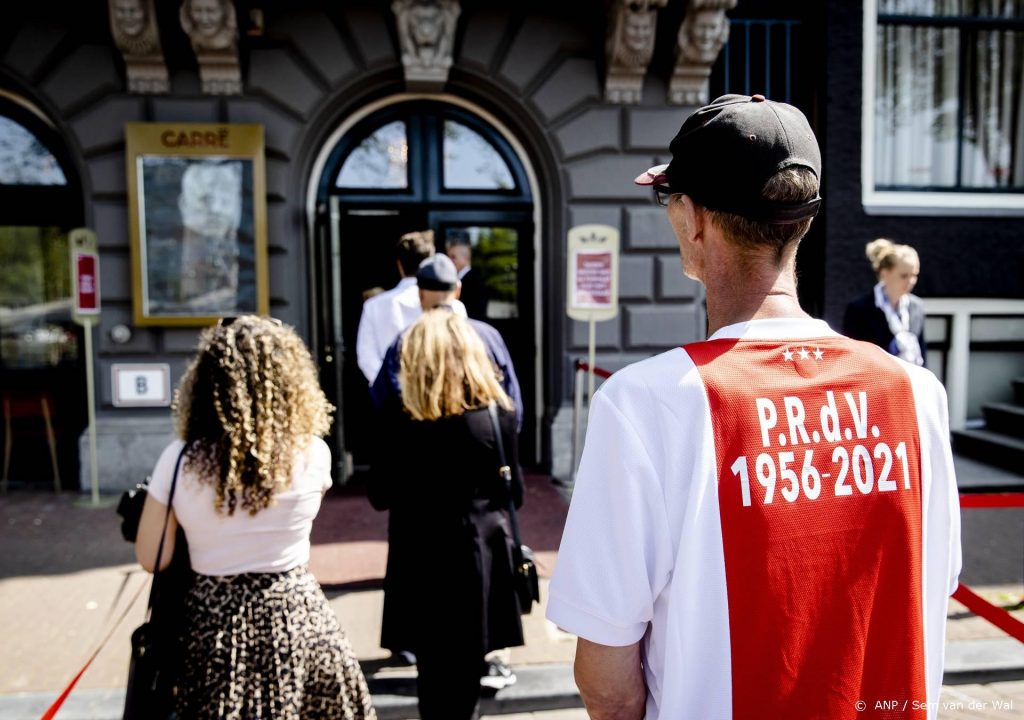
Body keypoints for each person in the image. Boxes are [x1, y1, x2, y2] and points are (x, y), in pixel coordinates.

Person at [547, 94, 961, 720]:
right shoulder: (916, 394)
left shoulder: (644, 404)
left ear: (691, 218)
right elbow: (935, 585)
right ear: (805, 221)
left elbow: (607, 679)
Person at [134, 315, 376, 720]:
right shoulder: (314, 452)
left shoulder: (179, 461)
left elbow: (151, 557)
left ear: (207, 384)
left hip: (212, 625)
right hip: (297, 616)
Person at [368, 309, 526, 720]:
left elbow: (379, 495)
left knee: (433, 682)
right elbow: (516, 494)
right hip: (479, 562)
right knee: (466, 683)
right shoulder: (497, 416)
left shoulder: (399, 421)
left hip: (419, 564)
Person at [370, 253, 522, 429]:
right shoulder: (487, 336)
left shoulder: (405, 341)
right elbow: (511, 401)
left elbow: (382, 403)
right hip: (478, 443)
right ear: (458, 290)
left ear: (420, 294)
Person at [355, 230, 465, 384]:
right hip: (442, 394)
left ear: (399, 265)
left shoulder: (374, 306)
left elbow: (366, 357)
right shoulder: (454, 306)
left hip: (393, 397)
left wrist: (393, 386)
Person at [843, 238, 926, 366]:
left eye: (914, 275)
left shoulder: (916, 307)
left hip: (911, 380)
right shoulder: (859, 309)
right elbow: (852, 358)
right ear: (884, 273)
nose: (911, 281)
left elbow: (922, 352)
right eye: (904, 275)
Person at [447, 238, 487, 319]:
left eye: (453, 257)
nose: (449, 260)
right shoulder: (463, 278)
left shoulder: (475, 282)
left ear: (465, 258)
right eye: (449, 256)